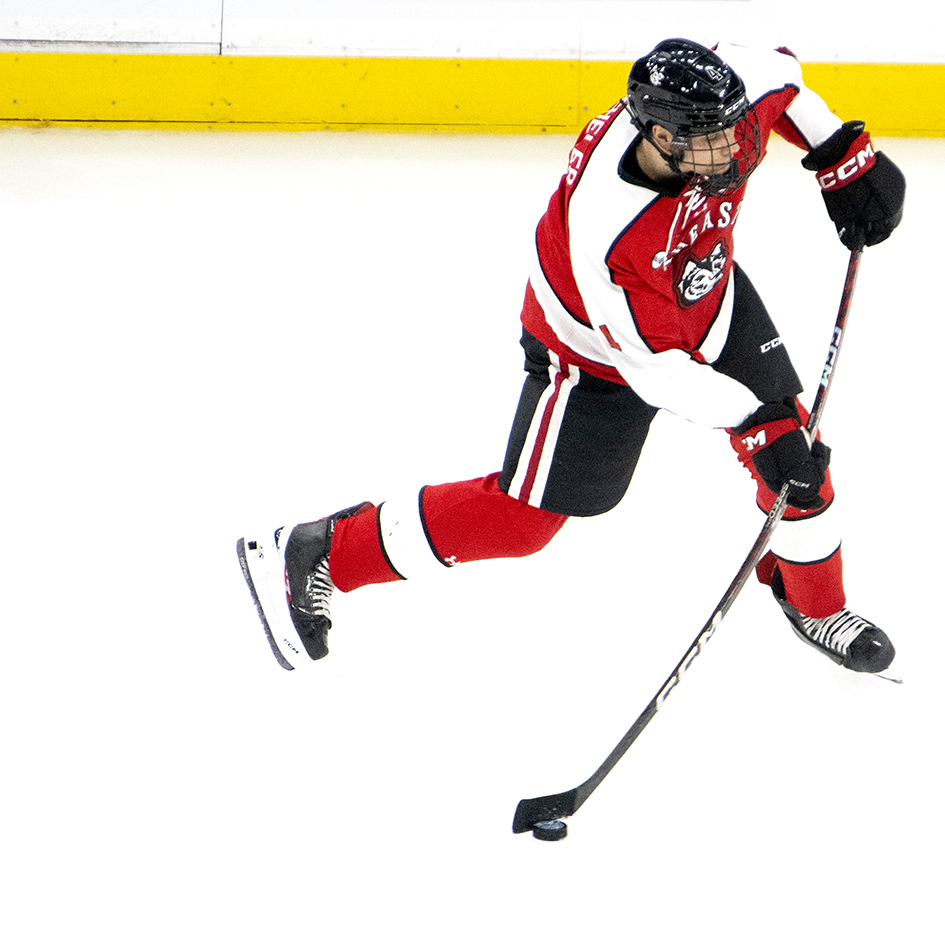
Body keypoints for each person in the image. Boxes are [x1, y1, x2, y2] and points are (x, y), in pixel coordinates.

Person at [236, 38, 906, 676]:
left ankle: (817, 603)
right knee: (522, 521)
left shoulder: (720, 103)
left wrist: (845, 158)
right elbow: (655, 370)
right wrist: (754, 421)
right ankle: (321, 550)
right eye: (714, 139)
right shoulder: (609, 226)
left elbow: (785, 84)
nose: (736, 146)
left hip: (707, 295)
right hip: (593, 352)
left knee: (798, 463)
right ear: (662, 139)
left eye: (735, 126)